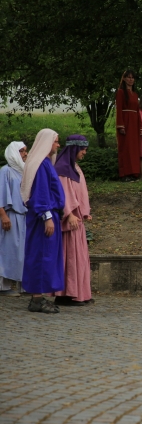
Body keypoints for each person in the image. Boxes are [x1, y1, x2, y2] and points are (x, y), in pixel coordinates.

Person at [20, 129, 64, 313]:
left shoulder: (44, 164)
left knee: (44, 255)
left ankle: (39, 296)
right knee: (41, 255)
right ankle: (37, 299)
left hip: (47, 215)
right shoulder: (41, 166)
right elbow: (41, 193)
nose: (58, 145)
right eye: (56, 141)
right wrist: (47, 217)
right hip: (43, 217)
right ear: (47, 142)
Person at [53, 135, 93, 306]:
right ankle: (65, 294)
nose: (85, 152)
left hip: (77, 221)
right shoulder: (62, 169)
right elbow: (62, 194)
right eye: (83, 149)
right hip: (69, 221)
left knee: (79, 258)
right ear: (74, 148)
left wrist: (84, 211)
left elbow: (80, 192)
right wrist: (69, 214)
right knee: (69, 258)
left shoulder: (74, 167)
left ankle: (79, 293)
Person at [0, 142, 28, 296]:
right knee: (8, 250)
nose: (25, 154)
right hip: (10, 215)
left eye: (25, 151)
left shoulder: (24, 172)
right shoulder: (6, 171)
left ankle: (24, 286)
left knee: (23, 252)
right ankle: (3, 286)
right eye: (21, 151)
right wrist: (3, 215)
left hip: (24, 216)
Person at [115, 70, 142, 182]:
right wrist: (121, 125)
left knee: (134, 149)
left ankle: (134, 173)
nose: (131, 79)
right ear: (124, 79)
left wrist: (140, 127)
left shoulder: (135, 94)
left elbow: (137, 111)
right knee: (125, 148)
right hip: (125, 122)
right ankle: (125, 174)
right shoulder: (121, 92)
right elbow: (119, 109)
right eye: (128, 77)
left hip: (134, 123)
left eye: (132, 77)